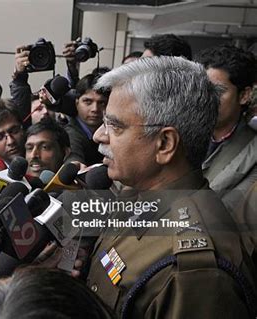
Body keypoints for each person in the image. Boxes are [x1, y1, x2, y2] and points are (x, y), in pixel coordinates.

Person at [87, 56, 256, 318]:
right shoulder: (135, 194)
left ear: (165, 144)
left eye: (115, 126)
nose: (99, 135)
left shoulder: (193, 274)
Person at [195, 44, 256, 215]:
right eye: (202, 89)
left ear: (244, 95)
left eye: (218, 91)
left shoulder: (251, 153)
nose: (206, 99)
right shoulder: (180, 135)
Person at [63, 72, 109, 166]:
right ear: (77, 103)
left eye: (102, 103)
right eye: (88, 101)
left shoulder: (111, 130)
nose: (95, 109)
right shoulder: (70, 133)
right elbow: (74, 157)